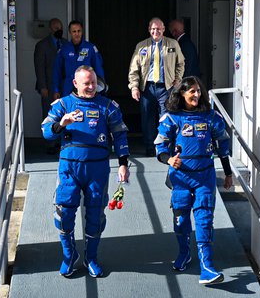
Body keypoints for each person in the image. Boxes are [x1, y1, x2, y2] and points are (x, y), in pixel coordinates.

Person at [42, 65, 130, 278]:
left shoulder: (108, 106)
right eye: (86, 83)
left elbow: (120, 135)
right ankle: (69, 256)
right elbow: (45, 131)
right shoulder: (63, 104)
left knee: (95, 216)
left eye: (93, 82)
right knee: (63, 213)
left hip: (97, 169)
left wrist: (123, 163)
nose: (91, 87)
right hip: (69, 168)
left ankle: (91, 258)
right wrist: (60, 124)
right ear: (75, 83)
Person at [154, 76, 233, 285]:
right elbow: (160, 146)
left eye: (199, 91)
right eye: (192, 92)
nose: (197, 95)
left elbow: (223, 145)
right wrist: (169, 159)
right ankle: (184, 254)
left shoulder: (211, 117)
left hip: (205, 176)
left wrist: (227, 173)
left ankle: (207, 266)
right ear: (182, 94)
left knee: (205, 219)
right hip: (180, 178)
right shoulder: (172, 118)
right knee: (181, 220)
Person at [128, 17, 184, 156]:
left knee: (166, 117)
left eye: (158, 29)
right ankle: (149, 147)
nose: (155, 31)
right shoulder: (141, 46)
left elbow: (181, 63)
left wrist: (178, 79)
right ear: (149, 30)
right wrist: (134, 87)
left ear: (164, 29)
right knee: (147, 118)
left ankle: (164, 147)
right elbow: (133, 68)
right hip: (147, 87)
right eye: (153, 29)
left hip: (165, 87)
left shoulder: (172, 44)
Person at [34, 18, 67, 154]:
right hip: (48, 86)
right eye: (55, 28)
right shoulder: (42, 45)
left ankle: (62, 142)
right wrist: (42, 87)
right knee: (49, 113)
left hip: (64, 86)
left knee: (64, 113)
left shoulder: (66, 44)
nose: (58, 30)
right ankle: (50, 143)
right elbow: (39, 68)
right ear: (50, 29)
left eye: (60, 27)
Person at [52, 20, 105, 100]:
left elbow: (98, 68)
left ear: (82, 31)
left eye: (79, 31)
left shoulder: (90, 48)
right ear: (70, 32)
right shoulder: (64, 49)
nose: (77, 34)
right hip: (68, 87)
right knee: (69, 109)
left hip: (87, 86)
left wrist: (101, 87)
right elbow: (57, 71)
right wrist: (56, 89)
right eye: (74, 31)